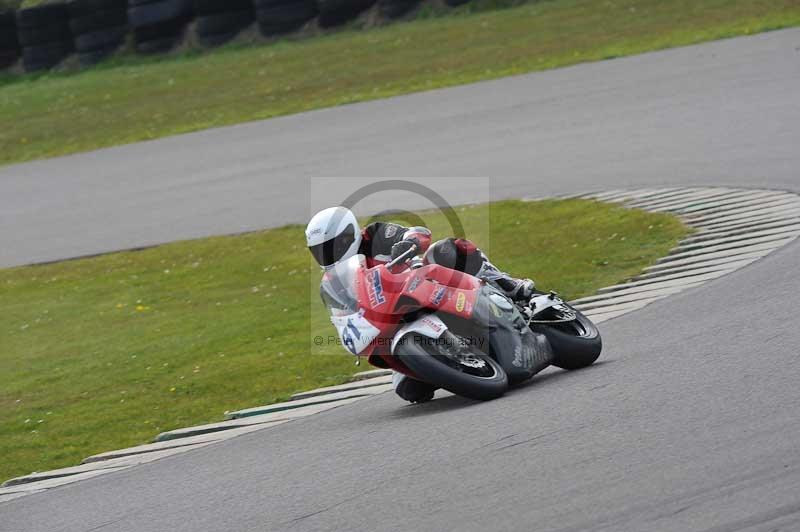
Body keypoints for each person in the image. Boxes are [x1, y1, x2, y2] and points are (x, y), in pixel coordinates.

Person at [306, 206, 534, 403]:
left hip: (421, 286)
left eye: (331, 247)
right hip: (392, 322)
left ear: (349, 236)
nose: (327, 256)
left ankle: (508, 285)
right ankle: (457, 360)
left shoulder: (376, 235)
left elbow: (418, 232)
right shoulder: (335, 281)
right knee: (410, 391)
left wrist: (409, 243)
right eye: (320, 252)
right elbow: (344, 315)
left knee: (446, 250)